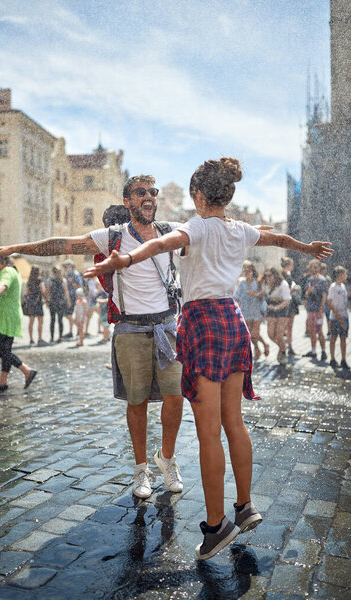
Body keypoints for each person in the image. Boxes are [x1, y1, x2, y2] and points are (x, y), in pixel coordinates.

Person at [84, 158, 332, 560]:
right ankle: (245, 505)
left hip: (201, 321)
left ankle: (216, 526)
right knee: (235, 421)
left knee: (208, 432)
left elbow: (160, 244)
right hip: (233, 320)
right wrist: (306, 247)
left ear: (199, 196)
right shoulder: (239, 229)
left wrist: (124, 260)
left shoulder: (196, 226)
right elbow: (276, 238)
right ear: (227, 194)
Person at [0, 175, 185, 502]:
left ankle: (168, 459)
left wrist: (252, 233)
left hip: (167, 327)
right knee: (137, 403)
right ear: (128, 200)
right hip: (130, 329)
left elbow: (212, 227)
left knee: (176, 398)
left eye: (152, 192)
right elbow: (59, 244)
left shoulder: (169, 230)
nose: (148, 197)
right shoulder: (112, 236)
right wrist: (17, 249)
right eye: (140, 192)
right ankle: (141, 469)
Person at [0, 255, 37, 392]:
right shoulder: (13, 271)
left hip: (7, 316)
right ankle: (3, 381)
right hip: (9, 315)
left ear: (1, 261)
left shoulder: (7, 272)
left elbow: (3, 285)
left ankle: (27, 370)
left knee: (1, 350)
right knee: (5, 350)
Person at [234, 260, 269, 360]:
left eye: (248, 271)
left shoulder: (258, 282)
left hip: (257, 310)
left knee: (254, 333)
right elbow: (236, 296)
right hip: (245, 310)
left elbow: (264, 293)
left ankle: (265, 344)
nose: (246, 273)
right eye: (245, 271)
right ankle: (257, 349)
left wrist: (256, 294)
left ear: (253, 271)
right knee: (250, 334)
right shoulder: (242, 283)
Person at [261, 267, 291, 364]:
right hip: (271, 308)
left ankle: (283, 352)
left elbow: (287, 300)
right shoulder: (265, 284)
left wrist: (277, 307)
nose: (267, 278)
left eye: (269, 275)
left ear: (275, 275)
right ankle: (282, 347)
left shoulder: (283, 284)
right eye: (266, 276)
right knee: (270, 334)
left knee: (278, 333)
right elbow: (264, 295)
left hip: (283, 309)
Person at [303, 259, 328, 361]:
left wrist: (321, 309)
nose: (314, 268)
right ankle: (313, 351)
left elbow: (324, 295)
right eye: (312, 267)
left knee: (320, 330)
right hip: (310, 309)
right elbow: (305, 295)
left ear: (319, 267)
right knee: (312, 330)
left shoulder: (322, 280)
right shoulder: (309, 280)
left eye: (315, 266)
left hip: (318, 309)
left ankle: (323, 351)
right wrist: (308, 291)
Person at [327, 265, 349, 369]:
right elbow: (330, 303)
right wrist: (338, 315)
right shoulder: (333, 287)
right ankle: (332, 358)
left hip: (344, 316)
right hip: (335, 317)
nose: (346, 275)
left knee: (343, 338)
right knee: (333, 338)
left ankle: (343, 359)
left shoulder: (343, 287)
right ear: (340, 275)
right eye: (345, 273)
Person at [46, 265, 70, 343]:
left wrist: (47, 301)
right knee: (60, 320)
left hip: (53, 302)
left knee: (52, 320)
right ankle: (60, 337)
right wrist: (68, 301)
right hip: (61, 302)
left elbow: (48, 292)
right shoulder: (63, 280)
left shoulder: (50, 280)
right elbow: (66, 292)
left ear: (53, 272)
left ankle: (52, 337)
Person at [25, 265, 47, 346]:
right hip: (38, 302)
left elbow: (27, 292)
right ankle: (39, 338)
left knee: (31, 321)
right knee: (40, 321)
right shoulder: (40, 280)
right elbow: (43, 291)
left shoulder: (29, 280)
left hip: (31, 302)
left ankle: (31, 339)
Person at [62, 259, 83, 339]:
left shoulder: (75, 274)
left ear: (71, 266)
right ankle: (76, 329)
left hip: (74, 296)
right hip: (69, 297)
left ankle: (75, 329)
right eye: (65, 266)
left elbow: (80, 286)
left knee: (69, 314)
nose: (66, 267)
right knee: (67, 314)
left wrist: (71, 283)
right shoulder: (67, 274)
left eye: (67, 266)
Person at [320, 263, 332, 337]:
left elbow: (330, 289)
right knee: (320, 317)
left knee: (328, 316)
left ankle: (329, 330)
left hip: (326, 300)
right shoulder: (318, 278)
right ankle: (319, 331)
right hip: (319, 300)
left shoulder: (327, 278)